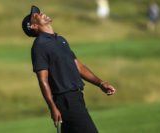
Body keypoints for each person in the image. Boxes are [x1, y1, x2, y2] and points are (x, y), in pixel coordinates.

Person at [22, 5, 116, 133]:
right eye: (36, 15)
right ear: (33, 26)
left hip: (77, 97)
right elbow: (42, 80)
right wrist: (52, 107)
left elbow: (78, 66)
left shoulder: (60, 40)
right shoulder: (39, 46)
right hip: (65, 100)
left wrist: (100, 83)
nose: (41, 13)